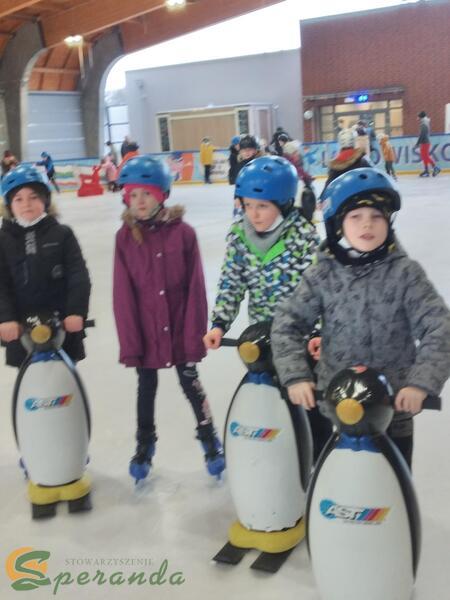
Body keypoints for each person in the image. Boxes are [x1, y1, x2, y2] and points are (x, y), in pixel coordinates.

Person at [271, 168, 450, 469]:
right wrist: (297, 376)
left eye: (377, 216)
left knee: (391, 482)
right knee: (342, 478)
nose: (367, 224)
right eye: (356, 216)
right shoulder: (322, 275)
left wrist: (420, 384)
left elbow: (440, 327)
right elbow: (287, 323)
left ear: (388, 222)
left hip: (393, 409)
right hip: (339, 407)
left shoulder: (406, 274)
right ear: (337, 223)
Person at [203, 156, 330, 460]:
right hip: (263, 339)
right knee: (272, 400)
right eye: (247, 205)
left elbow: (319, 293)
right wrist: (219, 323)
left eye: (262, 206)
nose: (254, 214)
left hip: (301, 339)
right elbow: (232, 282)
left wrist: (317, 332)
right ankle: (281, 458)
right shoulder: (239, 236)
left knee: (308, 402)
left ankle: (317, 458)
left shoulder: (303, 238)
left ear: (283, 203)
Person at [113, 155, 225, 482]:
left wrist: (193, 335)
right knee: (145, 387)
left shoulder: (183, 234)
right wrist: (131, 342)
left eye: (146, 194)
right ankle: (144, 446)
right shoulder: (124, 237)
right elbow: (122, 295)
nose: (139, 201)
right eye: (133, 195)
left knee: (191, 383)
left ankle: (209, 440)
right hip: (146, 331)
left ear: (162, 193)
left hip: (179, 328)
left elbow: (196, 289)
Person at [0, 165, 91, 368]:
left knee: (63, 378)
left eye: (33, 197)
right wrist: (5, 318)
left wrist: (76, 311)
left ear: (45, 200)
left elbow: (78, 275)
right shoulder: (3, 240)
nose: (26, 204)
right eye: (18, 199)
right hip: (21, 329)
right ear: (9, 204)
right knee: (31, 380)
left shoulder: (62, 234)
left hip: (62, 326)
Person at [282, 140, 316, 222]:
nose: (298, 154)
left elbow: (301, 172)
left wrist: (308, 178)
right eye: (295, 153)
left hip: (292, 201)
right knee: (302, 187)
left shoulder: (292, 162)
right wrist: (307, 178)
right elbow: (299, 174)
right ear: (291, 154)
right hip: (293, 200)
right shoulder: (289, 163)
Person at [415, 111, 440, 177]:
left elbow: (422, 134)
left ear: (420, 117)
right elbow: (422, 134)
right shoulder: (424, 122)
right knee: (424, 157)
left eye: (418, 116)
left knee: (425, 157)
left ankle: (436, 168)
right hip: (424, 142)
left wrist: (417, 143)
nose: (417, 118)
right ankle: (426, 171)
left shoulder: (423, 124)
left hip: (425, 143)